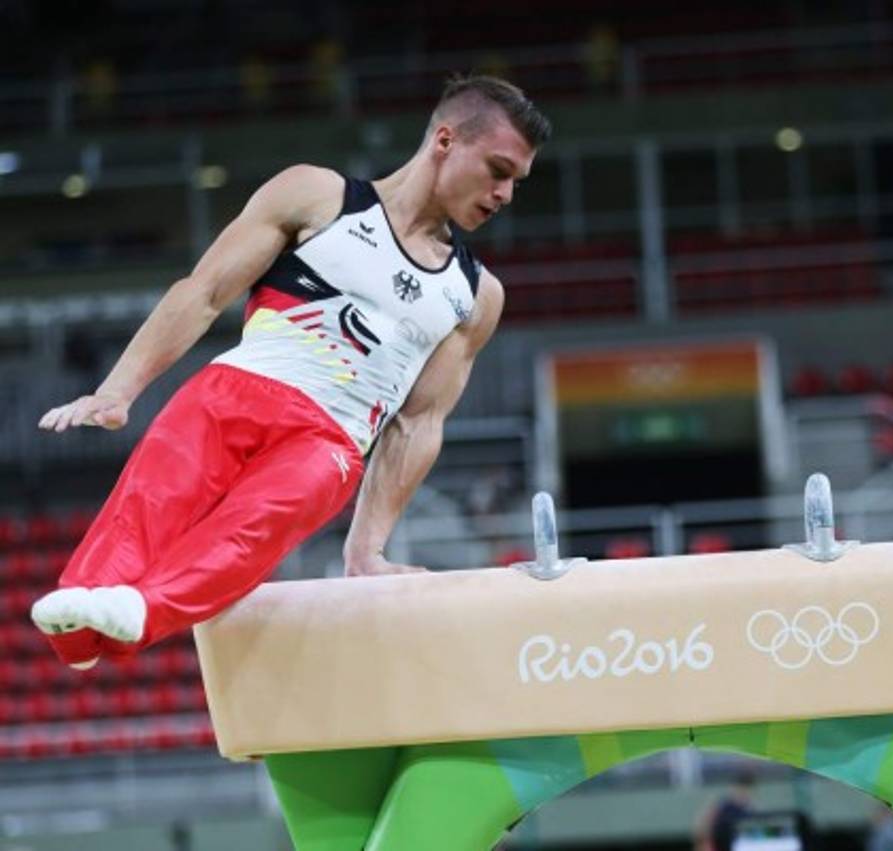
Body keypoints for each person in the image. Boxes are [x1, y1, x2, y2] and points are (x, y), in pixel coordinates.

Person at [29, 75, 551, 671]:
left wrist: (367, 550)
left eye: (516, 181)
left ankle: (142, 609)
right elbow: (202, 293)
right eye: (498, 170)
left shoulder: (474, 295)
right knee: (152, 497)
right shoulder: (316, 196)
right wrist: (117, 391)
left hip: (329, 439)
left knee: (255, 526)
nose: (506, 193)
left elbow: (417, 422)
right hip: (236, 388)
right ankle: (79, 628)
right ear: (445, 140)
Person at [694, 771, 756, 851]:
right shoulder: (723, 805)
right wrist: (704, 843)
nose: (745, 793)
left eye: (748, 789)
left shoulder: (750, 809)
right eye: (742, 788)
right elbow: (703, 824)